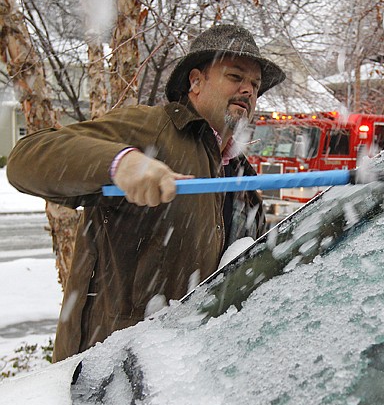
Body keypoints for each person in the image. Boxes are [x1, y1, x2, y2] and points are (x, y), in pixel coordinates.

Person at [7, 24, 285, 362]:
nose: (248, 90)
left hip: (189, 374)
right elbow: (27, 158)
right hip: (109, 376)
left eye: (255, 85)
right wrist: (122, 164)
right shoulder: (151, 129)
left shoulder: (242, 178)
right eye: (235, 76)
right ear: (195, 82)